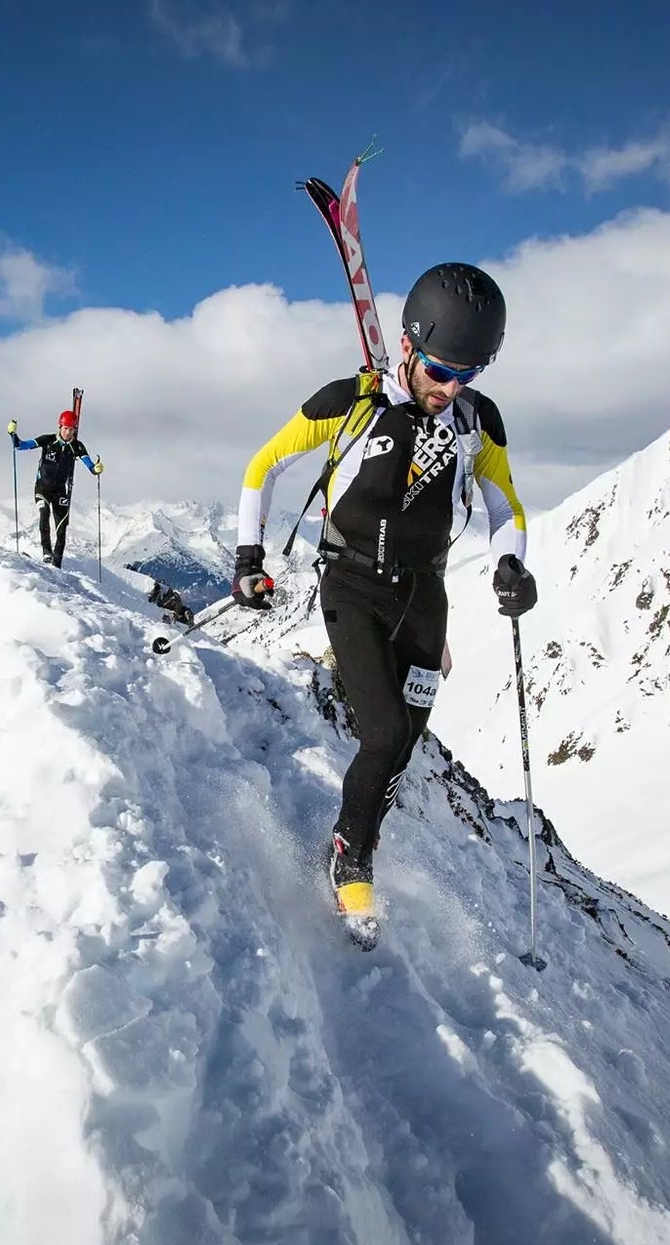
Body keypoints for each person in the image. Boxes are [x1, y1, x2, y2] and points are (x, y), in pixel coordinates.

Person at [229, 262, 538, 948]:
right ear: (408, 346)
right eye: (438, 369)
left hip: (425, 596)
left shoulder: (477, 422)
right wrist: (248, 558)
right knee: (386, 732)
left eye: (469, 373)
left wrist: (511, 561)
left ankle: (357, 833)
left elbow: (503, 504)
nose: (450, 387)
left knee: (406, 744)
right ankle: (350, 857)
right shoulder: (353, 403)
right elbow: (263, 467)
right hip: (351, 584)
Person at [9, 409, 102, 567]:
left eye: (71, 429)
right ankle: (46, 552)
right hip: (42, 488)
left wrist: (97, 468)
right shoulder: (48, 440)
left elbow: (90, 466)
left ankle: (57, 563)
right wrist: (12, 434)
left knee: (62, 528)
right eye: (65, 428)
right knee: (44, 514)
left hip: (60, 491)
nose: (67, 432)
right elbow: (20, 446)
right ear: (60, 427)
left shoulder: (77, 447)